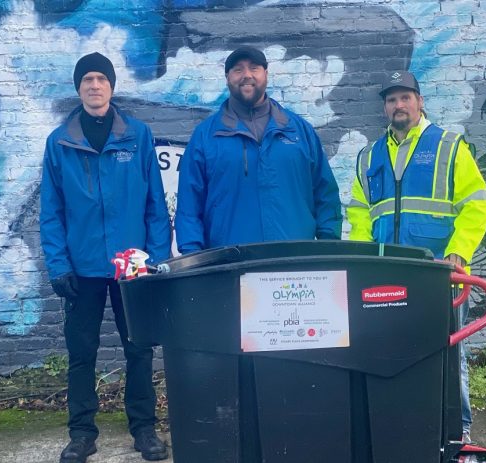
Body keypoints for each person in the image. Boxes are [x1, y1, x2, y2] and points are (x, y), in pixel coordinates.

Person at [40, 52, 171, 462]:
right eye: (87, 80)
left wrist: (155, 260)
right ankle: (81, 433)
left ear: (112, 86)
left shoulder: (137, 135)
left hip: (132, 265)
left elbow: (154, 202)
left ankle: (144, 428)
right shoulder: (60, 142)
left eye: (101, 78)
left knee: (139, 349)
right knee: (82, 353)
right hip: (82, 268)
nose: (94, 86)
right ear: (78, 88)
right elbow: (52, 210)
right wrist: (59, 266)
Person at [347, 71, 486, 443]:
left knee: (448, 356)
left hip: (441, 277)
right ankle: (401, 426)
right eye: (392, 99)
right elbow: (360, 214)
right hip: (385, 275)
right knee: (389, 352)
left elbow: (475, 206)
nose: (399, 105)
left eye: (405, 97)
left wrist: (458, 253)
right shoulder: (369, 156)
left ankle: (457, 432)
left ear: (420, 101)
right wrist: (362, 261)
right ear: (385, 107)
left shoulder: (449, 146)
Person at [174, 46, 342, 253]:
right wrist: (193, 257)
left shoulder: (298, 131)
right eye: (238, 70)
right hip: (230, 266)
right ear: (227, 77)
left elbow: (326, 195)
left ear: (266, 75)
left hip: (294, 264)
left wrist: (328, 247)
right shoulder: (206, 136)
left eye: (254, 68)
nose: (247, 75)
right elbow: (189, 206)